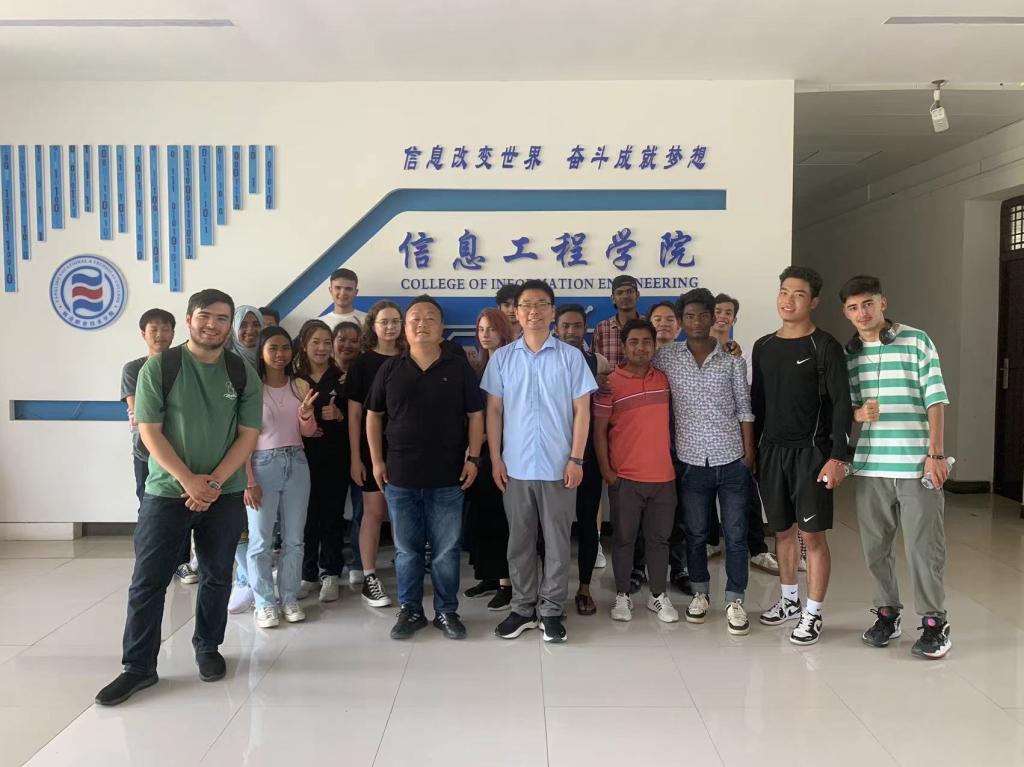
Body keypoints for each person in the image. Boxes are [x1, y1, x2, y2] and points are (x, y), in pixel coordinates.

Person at [95, 289, 262, 706]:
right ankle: (138, 667)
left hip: (223, 493)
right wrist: (188, 480)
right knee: (148, 581)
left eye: (222, 318)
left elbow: (248, 435)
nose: (213, 325)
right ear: (188, 320)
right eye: (205, 316)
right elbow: (149, 431)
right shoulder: (161, 367)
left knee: (217, 574)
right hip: (166, 491)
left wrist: (213, 483)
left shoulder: (241, 372)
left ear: (229, 326)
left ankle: (208, 647)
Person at [840, 275, 952, 659]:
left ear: (882, 303)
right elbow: (847, 408)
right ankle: (887, 614)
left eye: (868, 304)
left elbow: (935, 398)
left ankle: (935, 623)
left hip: (916, 465)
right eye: (853, 308)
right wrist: (858, 413)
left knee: (924, 548)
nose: (862, 313)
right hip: (871, 466)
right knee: (875, 549)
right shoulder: (850, 355)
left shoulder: (917, 341)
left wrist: (935, 454)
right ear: (846, 313)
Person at [481, 280, 597, 643]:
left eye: (541, 304)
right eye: (526, 305)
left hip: (559, 467)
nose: (533, 311)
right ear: (516, 312)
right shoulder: (502, 358)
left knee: (558, 544)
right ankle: (522, 608)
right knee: (519, 542)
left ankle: (551, 610)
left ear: (552, 311)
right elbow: (494, 410)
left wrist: (576, 458)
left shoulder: (570, 357)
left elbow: (583, 411)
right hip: (515, 467)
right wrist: (495, 458)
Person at [366, 295, 485, 640]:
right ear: (405, 328)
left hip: (449, 475)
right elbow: (373, 415)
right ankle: (411, 611)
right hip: (400, 475)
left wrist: (474, 458)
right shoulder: (390, 369)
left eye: (430, 318)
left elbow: (475, 415)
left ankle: (446, 611)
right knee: (407, 550)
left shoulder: (457, 367)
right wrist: (377, 460)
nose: (422, 323)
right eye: (415, 318)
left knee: (446, 551)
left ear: (442, 328)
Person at [753, 266, 853, 646]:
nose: (788, 300)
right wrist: (754, 452)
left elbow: (842, 404)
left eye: (798, 294)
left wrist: (838, 457)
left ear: (813, 301)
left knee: (812, 536)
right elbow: (758, 404)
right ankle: (789, 601)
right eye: (784, 292)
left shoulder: (825, 346)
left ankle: (813, 613)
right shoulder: (764, 346)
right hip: (772, 453)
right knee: (782, 532)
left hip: (812, 455)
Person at [655, 289, 755, 635]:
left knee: (736, 535)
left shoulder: (731, 359)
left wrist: (749, 454)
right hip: (690, 461)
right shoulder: (667, 357)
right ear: (681, 321)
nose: (696, 322)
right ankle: (700, 593)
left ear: (714, 317)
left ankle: (735, 599)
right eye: (689, 316)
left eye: (702, 315)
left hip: (732, 459)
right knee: (696, 533)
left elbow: (744, 408)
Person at [594, 318, 679, 623]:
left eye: (646, 342)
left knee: (659, 541)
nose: (640, 348)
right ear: (624, 346)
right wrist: (607, 472)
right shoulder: (610, 384)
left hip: (664, 479)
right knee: (624, 540)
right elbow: (599, 431)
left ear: (654, 346)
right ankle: (622, 596)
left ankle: (658, 596)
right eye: (633, 342)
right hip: (626, 478)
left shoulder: (664, 379)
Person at [244, 326, 316, 627]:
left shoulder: (299, 385)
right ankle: (264, 603)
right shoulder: (251, 387)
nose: (279, 354)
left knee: (295, 539)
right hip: (262, 464)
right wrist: (248, 480)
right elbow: (242, 439)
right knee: (260, 541)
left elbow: (308, 432)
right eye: (273, 348)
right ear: (261, 352)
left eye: (285, 347)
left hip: (297, 462)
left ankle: (288, 598)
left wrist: (306, 414)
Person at [121, 309, 195, 584]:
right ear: (143, 334)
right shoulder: (134, 369)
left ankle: (181, 563)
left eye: (166, 329)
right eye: (154, 329)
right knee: (149, 508)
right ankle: (149, 562)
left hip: (182, 450)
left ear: (174, 333)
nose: (160, 335)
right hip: (146, 452)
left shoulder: (184, 365)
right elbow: (139, 413)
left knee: (183, 507)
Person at [713, 293, 779, 576]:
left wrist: (749, 444)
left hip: (735, 435)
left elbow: (747, 397)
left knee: (746, 491)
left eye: (728, 312)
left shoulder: (740, 354)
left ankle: (758, 549)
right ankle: (710, 543)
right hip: (701, 436)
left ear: (734, 319)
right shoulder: (691, 351)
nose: (722, 316)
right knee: (701, 493)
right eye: (717, 311)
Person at [555, 303, 612, 615]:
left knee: (588, 522)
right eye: (565, 325)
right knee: (552, 527)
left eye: (577, 326)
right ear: (556, 328)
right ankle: (552, 590)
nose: (571, 331)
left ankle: (585, 588)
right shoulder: (544, 360)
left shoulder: (596, 361)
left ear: (585, 328)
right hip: (551, 456)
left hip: (586, 456)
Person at [347, 300, 403, 608]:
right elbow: (356, 415)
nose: (390, 327)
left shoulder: (410, 357)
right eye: (384, 322)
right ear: (373, 326)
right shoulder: (362, 364)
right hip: (372, 450)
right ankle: (369, 576)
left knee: (403, 513)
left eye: (395, 321)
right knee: (374, 512)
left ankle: (406, 570)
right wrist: (356, 457)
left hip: (406, 449)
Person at [292, 320, 349, 603]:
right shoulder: (294, 380)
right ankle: (308, 574)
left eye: (327, 342)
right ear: (304, 345)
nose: (322, 348)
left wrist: (339, 416)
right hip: (301, 459)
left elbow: (359, 418)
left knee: (332, 516)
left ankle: (331, 573)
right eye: (316, 342)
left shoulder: (342, 378)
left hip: (335, 457)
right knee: (305, 517)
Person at [463, 308, 515, 610]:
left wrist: (484, 437)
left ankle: (507, 584)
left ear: (503, 331)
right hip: (479, 453)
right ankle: (489, 577)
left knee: (501, 519)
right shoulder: (479, 365)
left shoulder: (512, 362)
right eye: (481, 329)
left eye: (491, 329)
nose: (485, 334)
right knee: (481, 516)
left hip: (504, 450)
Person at [227, 305, 265, 614]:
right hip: (232, 445)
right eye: (244, 325)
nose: (250, 331)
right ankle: (245, 579)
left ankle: (256, 578)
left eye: (255, 324)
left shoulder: (269, 360)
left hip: (266, 448)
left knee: (261, 522)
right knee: (238, 520)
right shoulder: (226, 362)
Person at [332, 320, 366, 583]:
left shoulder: (364, 371)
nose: (347, 345)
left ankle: (357, 561)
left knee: (361, 512)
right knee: (330, 512)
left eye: (353, 340)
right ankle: (329, 566)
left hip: (360, 452)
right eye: (342, 339)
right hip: (329, 453)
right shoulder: (322, 373)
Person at [592, 275, 641, 368]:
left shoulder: (648, 325)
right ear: (613, 298)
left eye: (629, 292)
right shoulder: (602, 328)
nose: (625, 296)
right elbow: (595, 363)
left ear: (637, 295)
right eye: (620, 293)